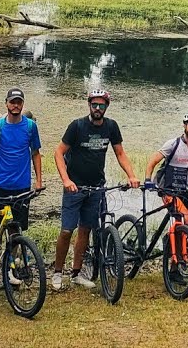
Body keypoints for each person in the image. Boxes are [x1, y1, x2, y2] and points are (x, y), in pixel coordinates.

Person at [52, 89, 140, 291]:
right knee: (66, 231)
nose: (97, 108)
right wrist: (66, 180)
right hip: (75, 188)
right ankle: (57, 272)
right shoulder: (77, 126)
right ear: (89, 105)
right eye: (94, 105)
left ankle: (76, 273)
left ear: (106, 107)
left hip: (96, 188)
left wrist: (131, 175)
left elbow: (120, 153)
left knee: (85, 230)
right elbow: (59, 152)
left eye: (101, 105)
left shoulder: (111, 126)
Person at [0, 87, 44, 234]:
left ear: (23, 104)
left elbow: (35, 154)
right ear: (6, 103)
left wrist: (38, 181)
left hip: (22, 187)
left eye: (19, 102)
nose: (15, 105)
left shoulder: (31, 126)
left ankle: (14, 249)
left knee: (16, 230)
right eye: (12, 102)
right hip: (0, 186)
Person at [145, 110, 188, 223]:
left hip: (186, 192)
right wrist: (148, 180)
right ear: (185, 125)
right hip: (168, 190)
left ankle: (172, 235)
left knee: (185, 226)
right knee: (186, 218)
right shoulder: (173, 144)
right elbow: (153, 161)